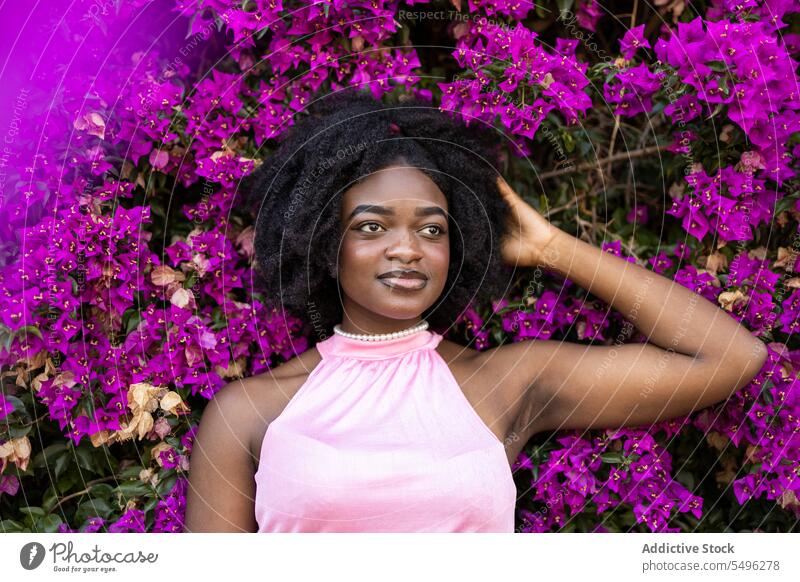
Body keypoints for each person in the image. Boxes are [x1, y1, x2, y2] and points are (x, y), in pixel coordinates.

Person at [183, 89, 768, 533]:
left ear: (454, 247)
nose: (407, 248)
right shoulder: (247, 413)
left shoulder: (502, 384)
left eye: (431, 229)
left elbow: (729, 356)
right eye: (372, 226)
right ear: (325, 242)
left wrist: (550, 248)